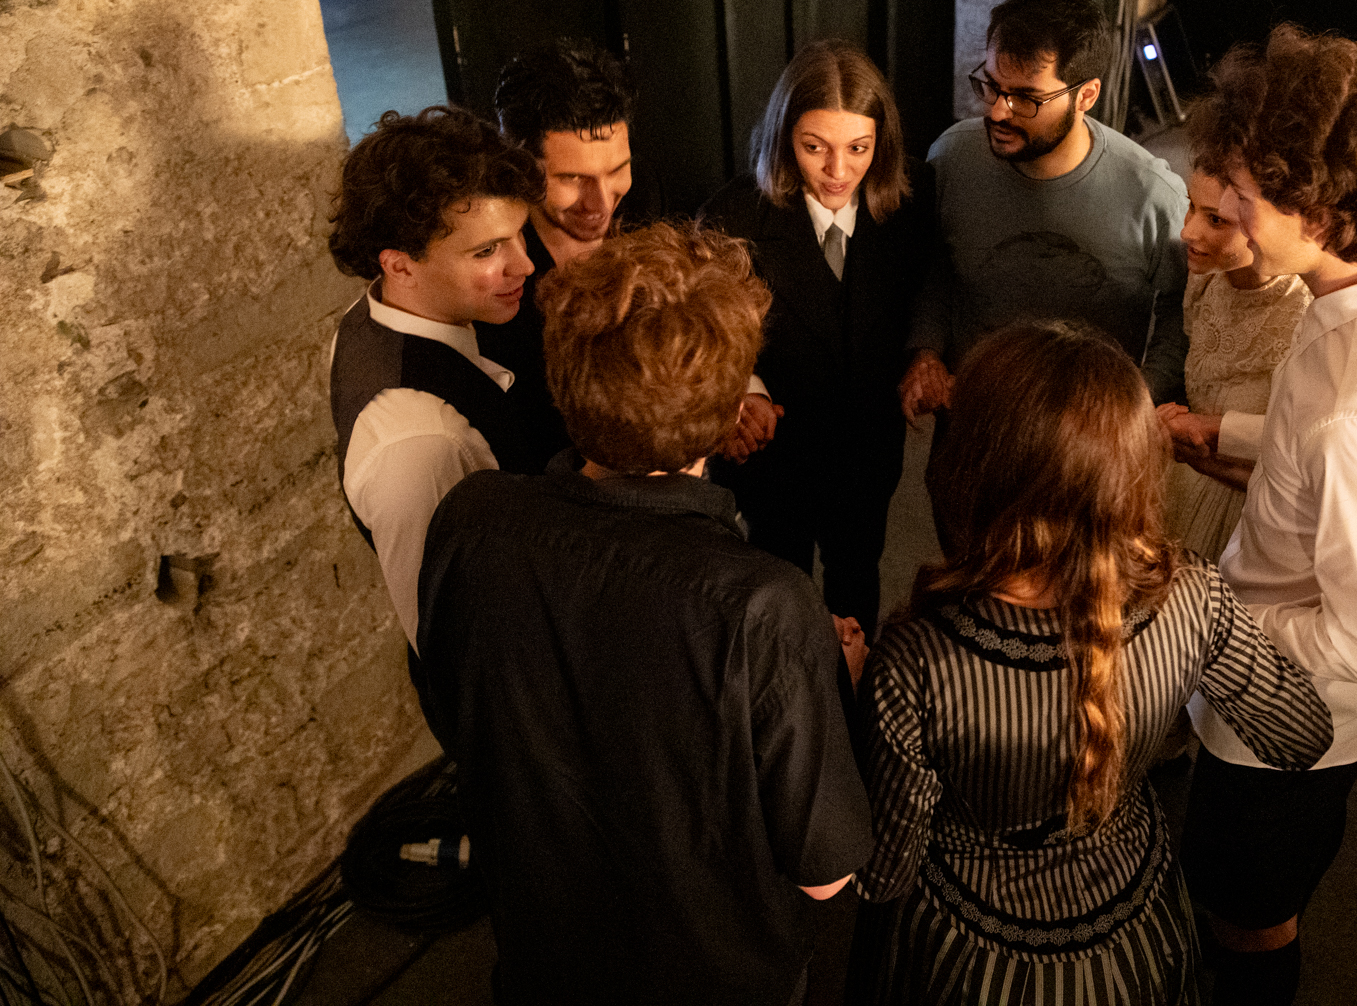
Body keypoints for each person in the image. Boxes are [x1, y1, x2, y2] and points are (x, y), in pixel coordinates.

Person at [416, 223, 874, 1005]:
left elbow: (460, 717)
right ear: (734, 405)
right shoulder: (765, 606)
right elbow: (827, 875)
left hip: (542, 959)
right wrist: (838, 679)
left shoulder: (471, 519)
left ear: (563, 377)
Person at [847, 322, 1333, 1006]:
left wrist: (857, 688)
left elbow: (885, 874)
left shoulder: (918, 659)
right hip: (1135, 944)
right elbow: (1301, 734)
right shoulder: (1192, 595)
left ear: (974, 468)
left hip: (966, 959)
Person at [1176, 26, 1357, 1006]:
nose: (1228, 212)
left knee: (1247, 914)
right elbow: (1320, 448)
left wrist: (1195, 612)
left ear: (1319, 204)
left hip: (1283, 720)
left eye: (1247, 198)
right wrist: (1227, 428)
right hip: (1261, 654)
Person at [1158, 169, 1357, 777]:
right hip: (1206, 477)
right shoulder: (1214, 282)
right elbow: (1293, 439)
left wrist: (1212, 618)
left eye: (1228, 212)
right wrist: (1210, 429)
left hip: (1251, 518)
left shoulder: (1345, 385)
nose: (1188, 231)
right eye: (1196, 207)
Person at [700, 40, 938, 637]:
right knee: (778, 587)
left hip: (867, 446)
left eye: (858, 148)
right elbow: (709, 329)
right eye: (814, 148)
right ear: (785, 139)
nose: (838, 172)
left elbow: (934, 280)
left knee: (858, 575)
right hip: (774, 455)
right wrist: (742, 390)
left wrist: (925, 351)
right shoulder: (732, 218)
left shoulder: (910, 205)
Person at [900, 0, 1188, 416]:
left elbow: (1181, 313)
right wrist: (926, 352)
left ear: (1086, 95)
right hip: (970, 423)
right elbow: (939, 268)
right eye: (992, 86)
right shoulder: (952, 159)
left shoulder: (1152, 195)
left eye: (1027, 99)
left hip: (1087, 443)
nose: (998, 110)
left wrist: (1138, 401)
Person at [326, 105, 547, 667]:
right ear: (400, 265)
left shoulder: (374, 314)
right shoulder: (422, 446)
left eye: (518, 235)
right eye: (487, 250)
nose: (523, 265)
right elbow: (455, 640)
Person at [478, 39, 664, 460]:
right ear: (519, 158)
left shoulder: (645, 198)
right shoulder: (494, 271)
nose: (601, 204)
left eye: (617, 170)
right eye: (571, 179)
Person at [1156, 166, 1312, 561]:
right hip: (1184, 477)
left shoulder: (1305, 316)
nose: (1187, 232)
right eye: (1190, 208)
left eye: (1216, 220)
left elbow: (1305, 450)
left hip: (1247, 508)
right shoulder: (1207, 277)